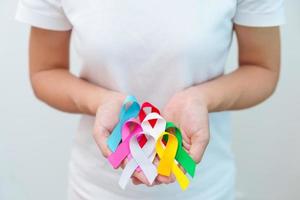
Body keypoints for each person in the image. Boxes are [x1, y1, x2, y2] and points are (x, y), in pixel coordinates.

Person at [15, 0, 285, 199]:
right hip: (96, 188)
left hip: (203, 188)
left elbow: (263, 69)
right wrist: (99, 101)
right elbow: (45, 71)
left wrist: (200, 99)